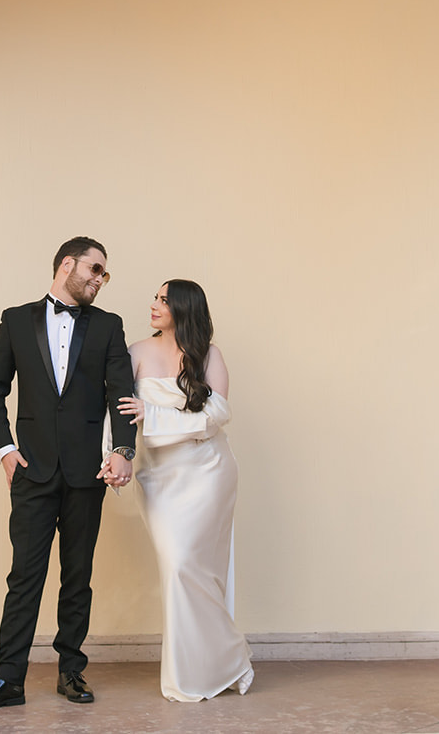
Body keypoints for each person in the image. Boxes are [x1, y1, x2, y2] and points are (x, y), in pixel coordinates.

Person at [0, 237, 139, 712]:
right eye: (95, 269)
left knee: (78, 576)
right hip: (32, 471)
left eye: (104, 274)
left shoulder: (109, 326)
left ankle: (71, 672)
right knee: (25, 576)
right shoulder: (15, 320)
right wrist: (5, 449)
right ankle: (7, 680)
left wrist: (123, 450)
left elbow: (121, 392)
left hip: (88, 472)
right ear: (66, 265)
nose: (100, 279)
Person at [118, 279, 254, 702]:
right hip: (158, 477)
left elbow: (215, 416)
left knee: (197, 569)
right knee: (179, 566)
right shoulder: (135, 352)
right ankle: (229, 658)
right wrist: (114, 454)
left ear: (184, 308)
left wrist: (153, 413)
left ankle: (203, 671)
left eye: (164, 300)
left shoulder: (209, 355)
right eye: (155, 298)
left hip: (208, 472)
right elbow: (116, 411)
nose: (155, 305)